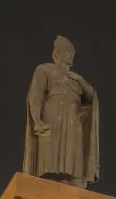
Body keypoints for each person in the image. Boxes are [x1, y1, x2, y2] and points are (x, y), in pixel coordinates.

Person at [23, 36, 99, 188]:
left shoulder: (75, 79)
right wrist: (37, 121)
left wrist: (80, 80)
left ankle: (73, 179)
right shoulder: (45, 69)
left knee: (72, 153)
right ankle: (49, 179)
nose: (71, 54)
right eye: (68, 50)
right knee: (51, 152)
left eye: (72, 51)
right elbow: (35, 95)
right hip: (53, 114)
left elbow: (92, 96)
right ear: (57, 52)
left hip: (73, 119)